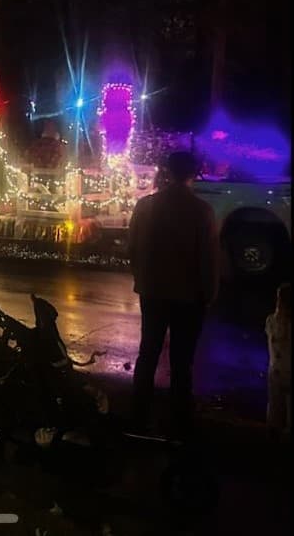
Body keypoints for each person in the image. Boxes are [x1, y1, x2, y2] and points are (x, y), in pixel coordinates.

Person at [128, 151, 219, 437]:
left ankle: (138, 415)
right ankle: (179, 421)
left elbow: (132, 248)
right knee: (182, 360)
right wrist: (209, 293)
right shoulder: (201, 211)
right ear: (194, 173)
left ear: (167, 171)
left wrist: (142, 278)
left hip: (152, 291)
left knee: (148, 353)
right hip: (188, 296)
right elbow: (208, 258)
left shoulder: (145, 206)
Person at [266, 283, 291, 440]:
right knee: (276, 400)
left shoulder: (275, 322)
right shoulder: (272, 321)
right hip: (276, 369)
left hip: (282, 369)